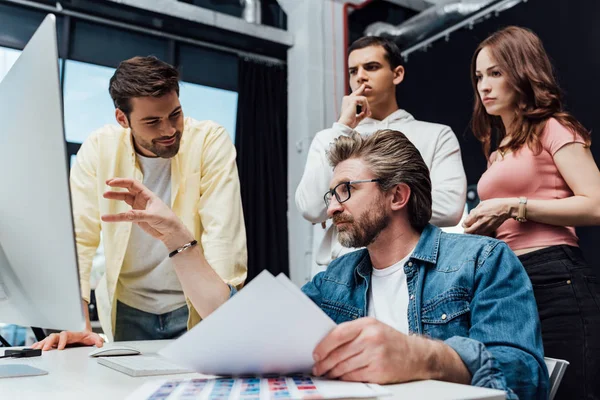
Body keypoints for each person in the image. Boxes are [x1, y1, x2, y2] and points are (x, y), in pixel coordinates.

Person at [96, 129, 547, 399]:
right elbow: (239, 320)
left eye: (346, 190)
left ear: (397, 195)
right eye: (332, 195)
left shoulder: (484, 260)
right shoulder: (337, 279)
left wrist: (422, 356)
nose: (332, 208)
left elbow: (525, 377)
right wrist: (176, 236)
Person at [32, 56, 247, 350]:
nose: (169, 130)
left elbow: (224, 236)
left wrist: (223, 316)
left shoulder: (209, 141)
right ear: (123, 119)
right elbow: (78, 239)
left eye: (175, 114)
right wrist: (77, 325)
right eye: (152, 121)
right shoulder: (98, 149)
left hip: (195, 306)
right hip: (129, 309)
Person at [463, 26, 600, 400]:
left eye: (496, 73)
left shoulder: (553, 127)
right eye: (478, 77)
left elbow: (596, 203)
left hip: (557, 279)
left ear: (522, 71)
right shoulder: (496, 152)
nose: (484, 86)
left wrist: (513, 206)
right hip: (508, 285)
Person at [295, 36, 466, 273]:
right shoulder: (331, 136)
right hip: (340, 272)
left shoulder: (436, 134)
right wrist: (343, 126)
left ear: (397, 74)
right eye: (353, 71)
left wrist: (360, 201)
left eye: (371, 67)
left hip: (413, 267)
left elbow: (449, 208)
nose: (360, 77)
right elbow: (311, 207)